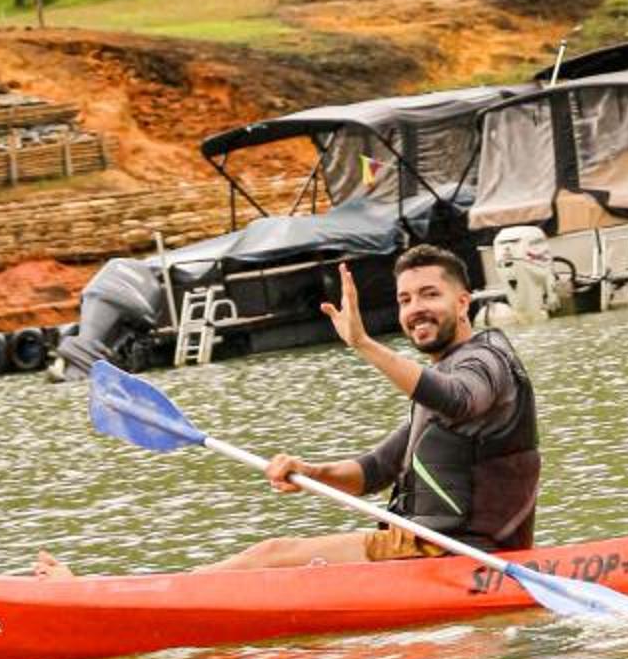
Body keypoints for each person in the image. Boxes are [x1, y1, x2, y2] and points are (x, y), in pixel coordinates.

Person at [223, 243, 540, 567]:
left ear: (462, 304)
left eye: (430, 294)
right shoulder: (441, 380)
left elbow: (459, 398)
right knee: (270, 553)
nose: (415, 308)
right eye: (405, 300)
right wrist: (309, 472)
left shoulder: (486, 361)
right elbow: (375, 470)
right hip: (424, 550)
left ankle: (170, 600)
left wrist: (362, 343)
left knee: (270, 555)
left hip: (459, 557)